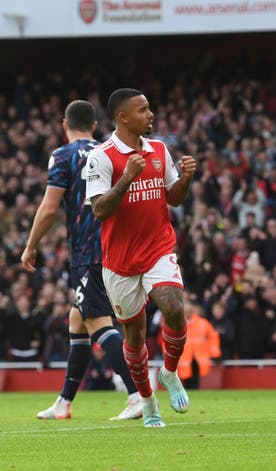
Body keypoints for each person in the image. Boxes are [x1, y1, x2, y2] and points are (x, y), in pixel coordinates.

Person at [20, 100, 143, 421]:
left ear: (65, 123)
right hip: (116, 246)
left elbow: (49, 209)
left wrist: (31, 245)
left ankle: (138, 394)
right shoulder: (109, 151)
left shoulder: (63, 156)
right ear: (94, 124)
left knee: (98, 323)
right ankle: (64, 402)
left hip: (88, 252)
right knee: (78, 320)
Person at [86, 88, 196, 428]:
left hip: (158, 249)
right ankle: (148, 403)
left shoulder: (159, 149)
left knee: (175, 309)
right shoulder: (102, 157)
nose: (151, 115)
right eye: (143, 110)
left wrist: (186, 179)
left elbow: (173, 199)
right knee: (133, 336)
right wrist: (127, 178)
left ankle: (170, 372)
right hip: (119, 262)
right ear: (123, 117)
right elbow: (100, 209)